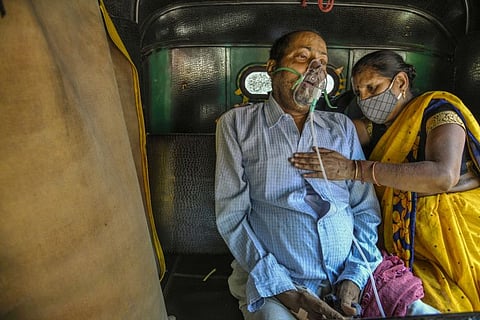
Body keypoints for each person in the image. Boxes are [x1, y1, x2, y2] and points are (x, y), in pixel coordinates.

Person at [215, 31, 437, 320]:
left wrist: (354, 277)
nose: (315, 70)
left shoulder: (341, 128)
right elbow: (232, 216)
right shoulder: (237, 125)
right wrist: (287, 291)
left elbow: (364, 211)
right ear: (272, 68)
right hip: (277, 281)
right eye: (303, 58)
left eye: (322, 62)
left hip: (353, 273)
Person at [290, 49, 480, 313]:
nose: (365, 98)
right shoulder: (377, 126)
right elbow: (334, 129)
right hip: (405, 240)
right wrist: (291, 111)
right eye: (359, 93)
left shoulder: (437, 110)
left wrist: (355, 169)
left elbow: (443, 176)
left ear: (400, 82)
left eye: (372, 87)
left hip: (455, 234)